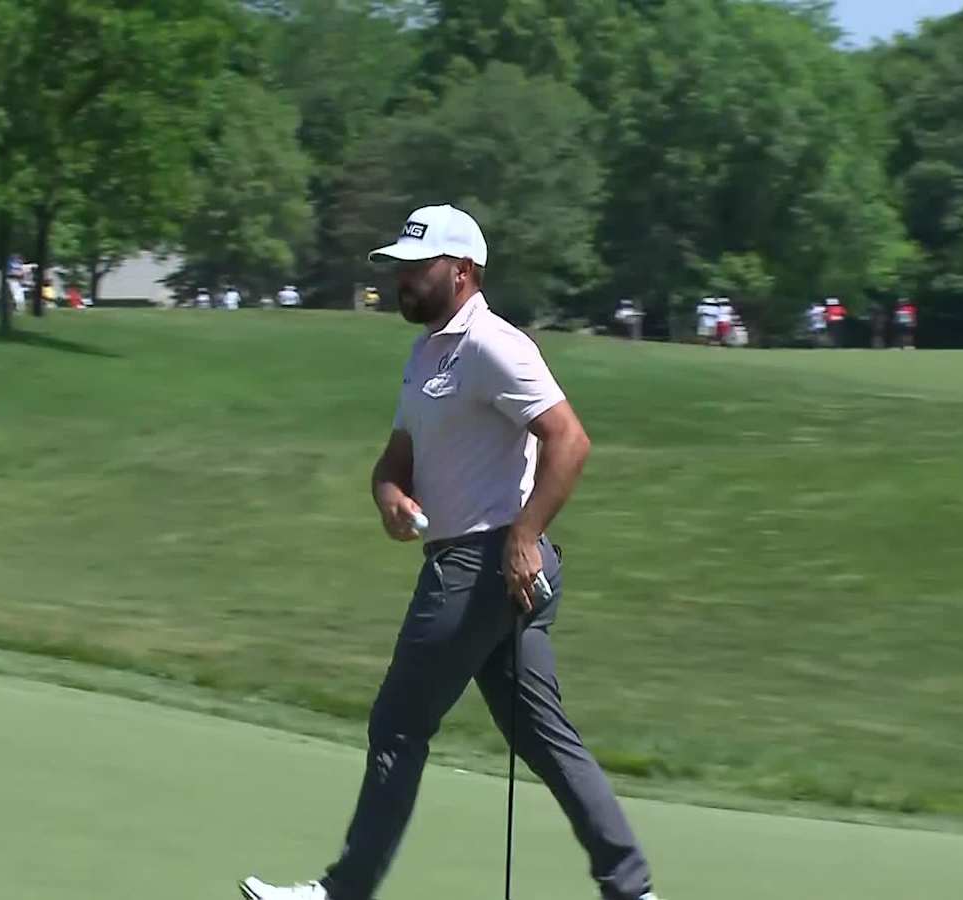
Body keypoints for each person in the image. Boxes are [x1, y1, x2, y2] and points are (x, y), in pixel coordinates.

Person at [240, 204, 660, 900]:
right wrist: (389, 497)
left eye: (417, 267)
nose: (402, 279)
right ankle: (632, 888)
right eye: (399, 267)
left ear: (461, 271)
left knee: (399, 725)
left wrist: (524, 535)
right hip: (479, 564)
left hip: (484, 564)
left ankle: (342, 893)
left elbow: (570, 441)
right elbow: (393, 462)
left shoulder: (495, 345)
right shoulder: (425, 354)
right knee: (543, 735)